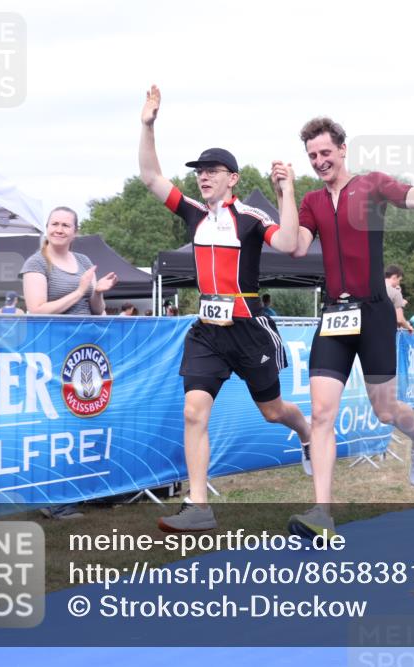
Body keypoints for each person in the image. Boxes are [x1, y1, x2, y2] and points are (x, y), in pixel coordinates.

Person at [139, 84, 312, 531]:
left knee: (273, 412)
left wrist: (286, 191)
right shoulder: (195, 214)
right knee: (194, 410)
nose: (204, 177)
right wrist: (148, 125)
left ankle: (308, 433)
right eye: (200, 172)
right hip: (207, 331)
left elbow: (292, 244)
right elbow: (150, 177)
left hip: (249, 328)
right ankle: (199, 506)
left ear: (233, 178)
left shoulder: (252, 219)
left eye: (213, 171)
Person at [286, 117, 414, 539]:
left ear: (343, 149)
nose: (319, 161)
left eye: (325, 153)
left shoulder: (372, 185)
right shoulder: (312, 200)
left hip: (373, 314)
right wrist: (284, 191)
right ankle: (322, 514)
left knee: (385, 411)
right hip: (334, 315)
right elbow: (295, 246)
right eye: (312, 156)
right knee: (322, 414)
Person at [21, 206, 119, 521]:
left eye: (66, 225)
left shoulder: (84, 263)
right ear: (47, 228)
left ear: (75, 231)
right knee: (56, 427)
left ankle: (87, 490)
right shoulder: (36, 263)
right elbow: (36, 310)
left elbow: (94, 309)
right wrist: (79, 290)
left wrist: (97, 292)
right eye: (54, 224)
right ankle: (53, 499)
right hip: (51, 355)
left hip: (85, 354)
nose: (60, 229)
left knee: (86, 423)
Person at [385, 265, 414, 332]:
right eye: (399, 280)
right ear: (394, 277)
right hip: (385, 333)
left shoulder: (372, 290)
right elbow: (399, 319)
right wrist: (408, 327)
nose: (399, 283)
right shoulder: (395, 293)